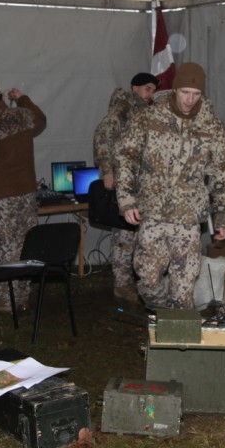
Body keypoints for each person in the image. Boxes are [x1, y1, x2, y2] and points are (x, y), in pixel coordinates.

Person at [115, 62, 225, 311]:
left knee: (183, 290)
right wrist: (126, 200)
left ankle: (178, 330)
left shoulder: (212, 126)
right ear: (174, 89)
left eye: (196, 94)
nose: (190, 100)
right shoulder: (149, 118)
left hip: (188, 219)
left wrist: (223, 216)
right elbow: (124, 156)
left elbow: (223, 173)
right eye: (185, 92)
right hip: (152, 214)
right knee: (148, 282)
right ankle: (165, 314)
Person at [0, 80, 47, 311]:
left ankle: (7, 301)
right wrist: (22, 98)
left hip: (0, 197)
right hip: (27, 193)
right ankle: (23, 295)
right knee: (26, 243)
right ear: (3, 98)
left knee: (4, 247)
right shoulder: (23, 116)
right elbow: (41, 120)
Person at [92, 72, 158, 305]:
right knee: (125, 235)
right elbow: (103, 135)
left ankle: (138, 282)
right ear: (135, 88)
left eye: (153, 90)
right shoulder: (123, 109)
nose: (151, 94)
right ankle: (122, 284)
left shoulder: (145, 111)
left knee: (138, 234)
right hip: (126, 182)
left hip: (142, 183)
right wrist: (108, 170)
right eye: (147, 89)